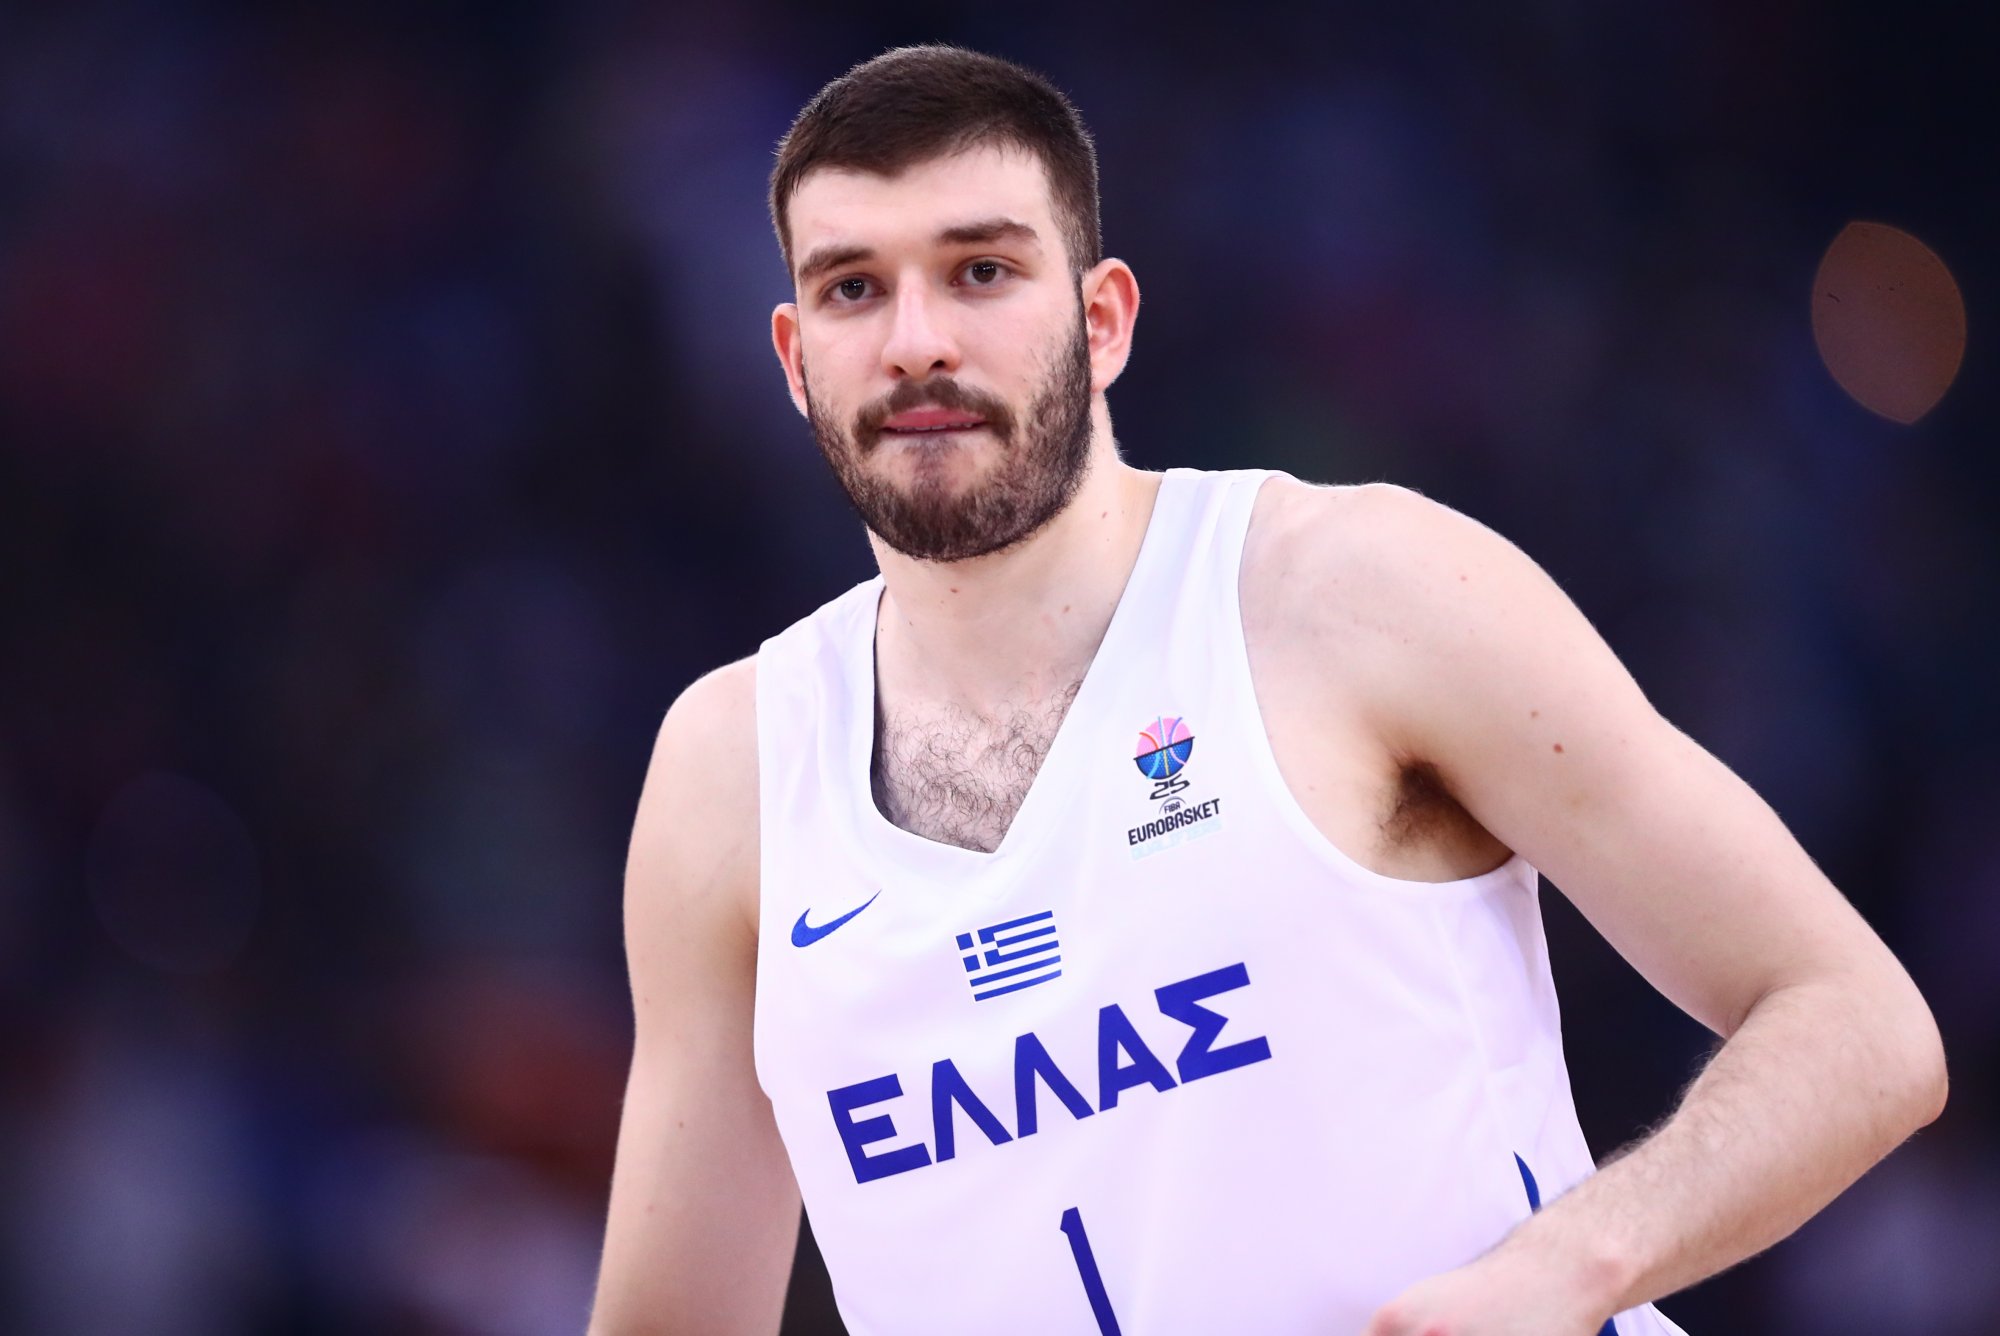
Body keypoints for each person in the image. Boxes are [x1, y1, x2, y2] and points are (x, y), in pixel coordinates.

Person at [586, 45, 1946, 1336]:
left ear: (1102, 320)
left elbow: (1860, 1024)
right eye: (853, 289)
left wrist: (1568, 1265)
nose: (916, 341)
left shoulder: (1355, 592)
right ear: (793, 359)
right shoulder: (731, 770)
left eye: (981, 271)